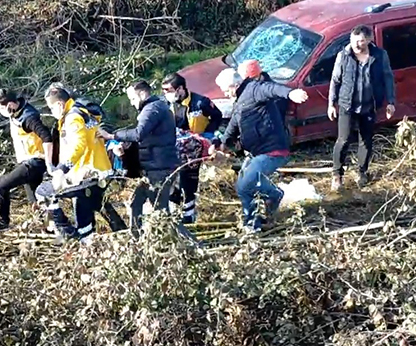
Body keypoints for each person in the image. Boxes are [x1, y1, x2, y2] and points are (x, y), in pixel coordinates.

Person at [210, 60, 309, 233]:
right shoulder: (240, 100)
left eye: (226, 90)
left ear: (234, 85)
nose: (225, 94)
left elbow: (271, 89)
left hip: (273, 150)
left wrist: (291, 93)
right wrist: (224, 143)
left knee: (246, 184)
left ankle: (274, 194)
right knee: (243, 187)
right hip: (256, 152)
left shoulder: (254, 89)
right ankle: (253, 222)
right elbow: (234, 122)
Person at [35, 85, 113, 244]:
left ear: (59, 104)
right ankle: (123, 233)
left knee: (45, 193)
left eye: (51, 107)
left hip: (87, 173)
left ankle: (70, 234)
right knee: (94, 206)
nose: (51, 111)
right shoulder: (82, 112)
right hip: (95, 169)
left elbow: (79, 145)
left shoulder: (72, 118)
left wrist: (62, 170)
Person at [98, 80, 180, 229]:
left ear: (142, 94)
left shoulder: (151, 109)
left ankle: (190, 244)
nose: (131, 103)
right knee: (136, 203)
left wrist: (112, 136)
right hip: (153, 167)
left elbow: (138, 134)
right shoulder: (156, 107)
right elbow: (148, 136)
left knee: (162, 214)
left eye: (133, 99)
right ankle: (136, 239)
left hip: (159, 168)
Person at [327, 25, 396, 191]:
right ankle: (337, 175)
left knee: (365, 140)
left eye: (361, 41)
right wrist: (331, 104)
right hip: (346, 105)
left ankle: (362, 173)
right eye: (354, 40)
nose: (356, 44)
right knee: (343, 140)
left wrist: (391, 102)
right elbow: (335, 80)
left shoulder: (380, 56)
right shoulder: (343, 55)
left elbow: (388, 78)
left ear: (369, 40)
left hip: (369, 105)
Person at [0, 89, 55, 233]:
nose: (1, 111)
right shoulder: (16, 106)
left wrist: (49, 164)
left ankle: (3, 222)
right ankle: (49, 228)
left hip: (34, 162)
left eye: (3, 108)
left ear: (11, 105)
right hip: (28, 160)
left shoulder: (28, 118)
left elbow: (47, 137)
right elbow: (0, 104)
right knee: (36, 201)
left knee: (2, 186)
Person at [162, 73, 223, 224]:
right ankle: (175, 205)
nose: (165, 94)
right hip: (173, 148)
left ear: (180, 89)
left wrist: (209, 137)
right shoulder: (165, 104)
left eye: (168, 90)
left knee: (187, 180)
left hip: (194, 148)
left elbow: (217, 118)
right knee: (167, 181)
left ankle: (189, 215)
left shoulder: (200, 102)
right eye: (163, 90)